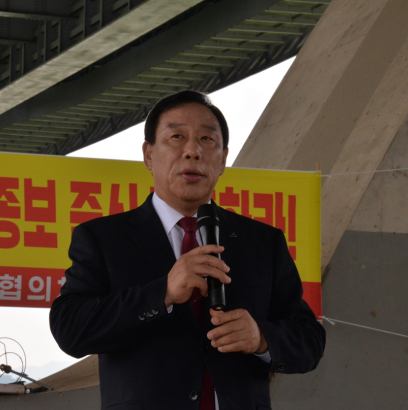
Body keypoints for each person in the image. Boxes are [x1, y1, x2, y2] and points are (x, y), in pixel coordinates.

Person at [50, 90, 325, 410]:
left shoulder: (262, 241)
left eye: (207, 139)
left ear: (223, 159)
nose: (193, 151)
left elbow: (309, 340)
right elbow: (71, 329)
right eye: (177, 137)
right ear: (149, 155)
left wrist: (261, 337)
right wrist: (163, 293)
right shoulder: (103, 238)